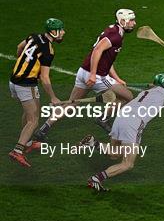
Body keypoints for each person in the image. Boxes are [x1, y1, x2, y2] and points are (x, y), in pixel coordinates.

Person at [84, 60, 164, 191]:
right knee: (127, 164)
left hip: (121, 117)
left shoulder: (145, 92)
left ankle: (93, 143)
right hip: (133, 123)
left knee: (114, 153)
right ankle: (96, 179)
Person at [35, 9, 137, 140]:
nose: (134, 23)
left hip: (83, 72)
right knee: (127, 96)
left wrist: (117, 78)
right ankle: (103, 119)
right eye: (132, 20)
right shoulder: (115, 36)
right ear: (123, 21)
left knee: (72, 105)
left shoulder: (114, 30)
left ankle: (43, 129)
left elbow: (107, 59)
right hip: (98, 77)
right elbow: (97, 51)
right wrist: (94, 75)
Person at [8, 18, 66, 167]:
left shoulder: (33, 36)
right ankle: (18, 150)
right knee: (33, 120)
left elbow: (19, 48)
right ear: (53, 32)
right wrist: (53, 97)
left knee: (30, 113)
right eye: (61, 30)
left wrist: (23, 62)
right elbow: (44, 77)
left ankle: (27, 142)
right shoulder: (48, 50)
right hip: (26, 85)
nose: (63, 32)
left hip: (13, 81)